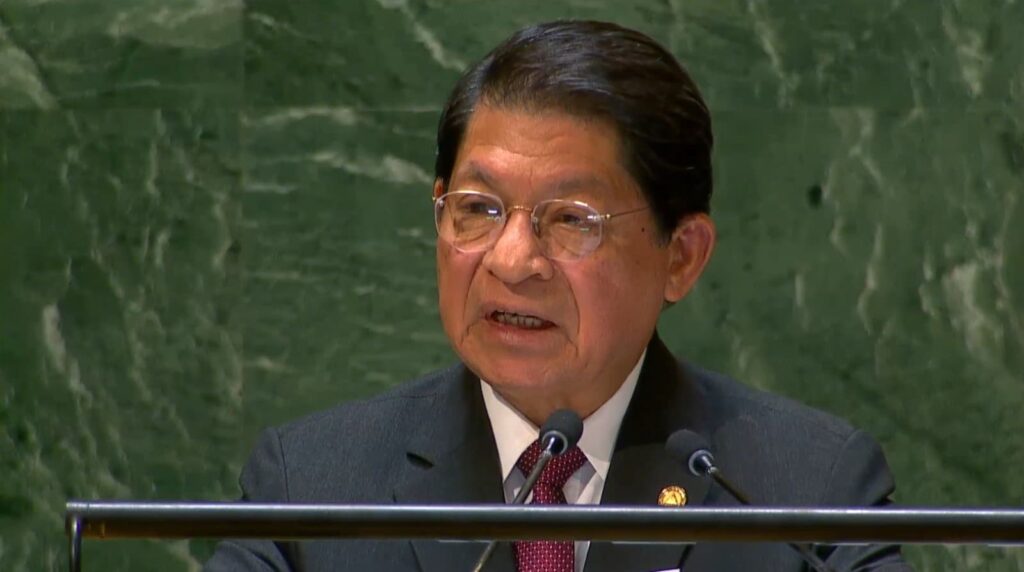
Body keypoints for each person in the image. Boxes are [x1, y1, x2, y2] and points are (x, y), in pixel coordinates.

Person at [206, 20, 911, 572]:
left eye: (572, 220)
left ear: (681, 257)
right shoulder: (312, 486)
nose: (511, 261)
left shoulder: (803, 486)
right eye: (477, 209)